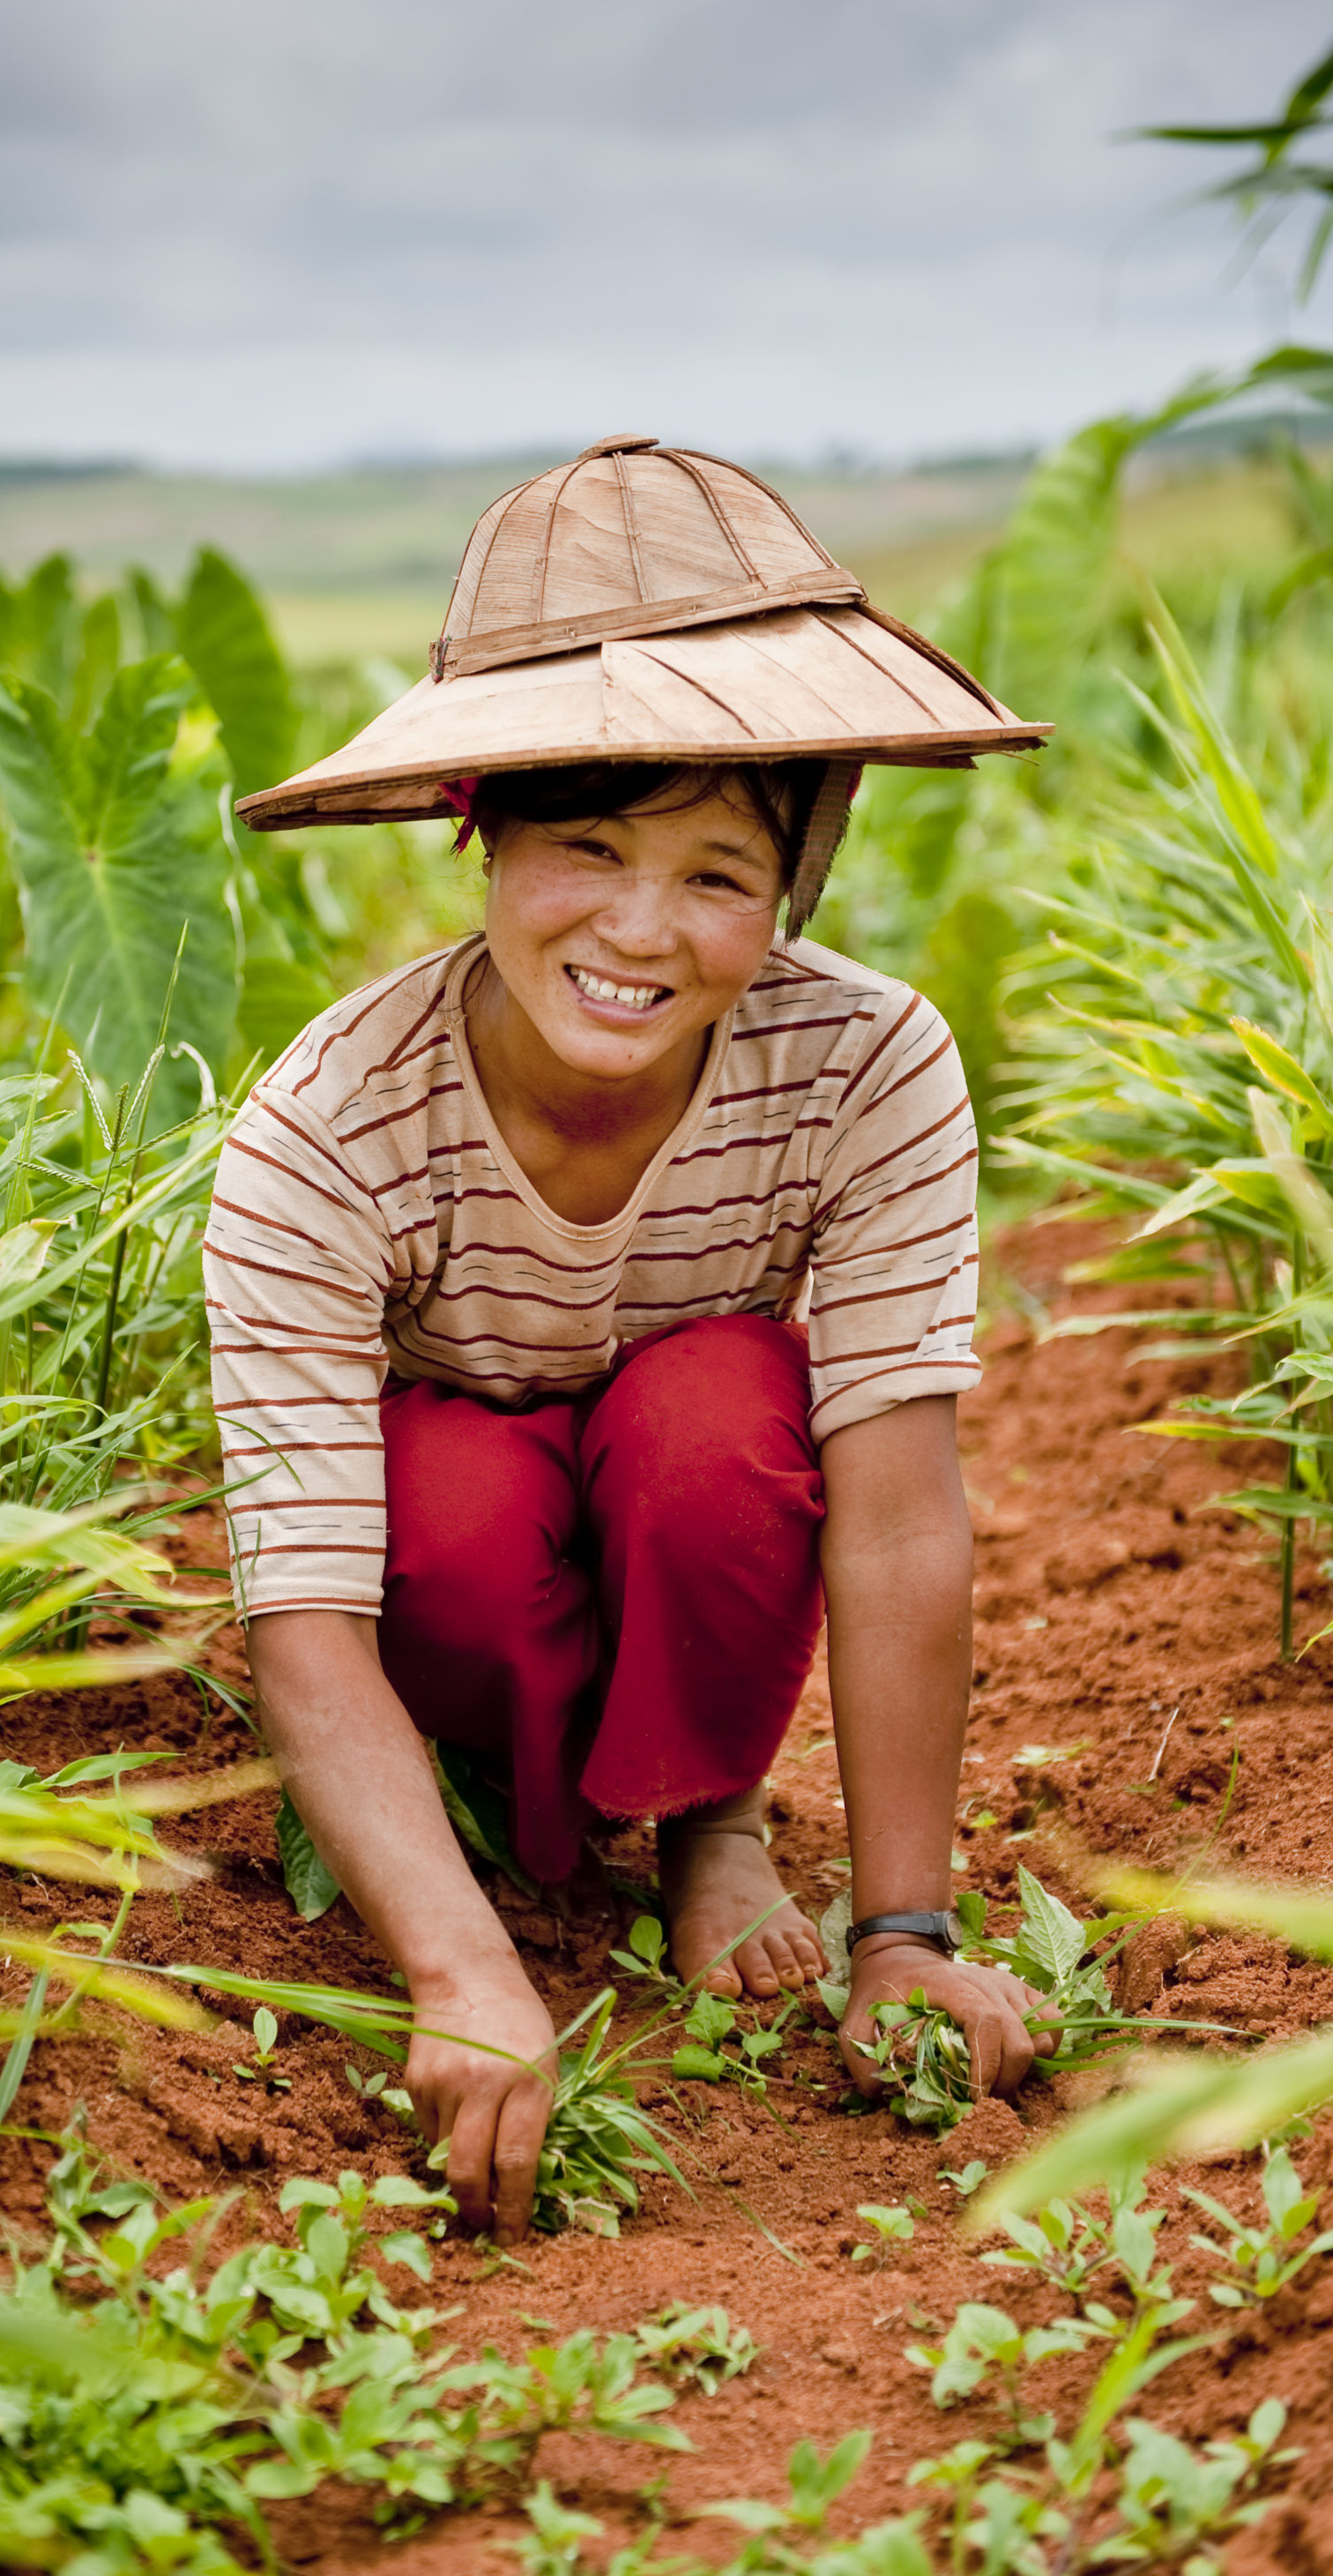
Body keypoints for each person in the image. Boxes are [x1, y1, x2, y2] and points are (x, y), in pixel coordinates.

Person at [212, 436, 1063, 2243]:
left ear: (794, 885)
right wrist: (447, 1974)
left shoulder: (866, 1065)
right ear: (482, 834)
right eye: (584, 848)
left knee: (716, 1404)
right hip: (473, 1578)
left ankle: (704, 1823)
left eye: (712, 875)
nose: (636, 930)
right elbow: (300, 1615)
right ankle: (521, 1867)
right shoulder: (327, 1128)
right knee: (437, 1483)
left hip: (697, 1526)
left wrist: (900, 1932)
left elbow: (899, 1510)